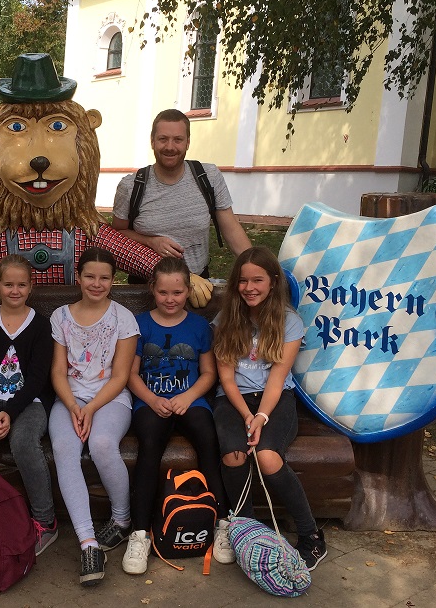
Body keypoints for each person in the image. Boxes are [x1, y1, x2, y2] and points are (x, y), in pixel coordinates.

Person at [211, 247, 327, 570]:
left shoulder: (289, 322)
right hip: (233, 400)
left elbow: (277, 379)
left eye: (257, 280)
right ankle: (246, 531)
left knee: (267, 456)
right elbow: (226, 378)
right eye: (243, 281)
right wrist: (247, 416)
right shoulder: (226, 319)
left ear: (273, 282)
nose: (249, 287)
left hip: (274, 400)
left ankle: (311, 535)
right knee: (234, 454)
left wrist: (260, 416)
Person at [122, 257, 232, 575]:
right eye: (163, 293)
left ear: (188, 291)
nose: (171, 300)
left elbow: (209, 373)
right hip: (151, 402)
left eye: (178, 293)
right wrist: (153, 399)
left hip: (190, 400)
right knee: (150, 444)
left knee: (208, 439)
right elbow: (131, 374)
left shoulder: (199, 326)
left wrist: (187, 396)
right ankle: (140, 532)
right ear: (152, 290)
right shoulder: (140, 324)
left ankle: (223, 522)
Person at [48, 247, 139, 586]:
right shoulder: (61, 316)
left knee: (101, 443)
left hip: (110, 398)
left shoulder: (123, 318)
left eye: (104, 278)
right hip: (70, 399)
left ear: (112, 281)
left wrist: (90, 408)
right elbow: (58, 371)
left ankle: (121, 518)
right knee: (63, 449)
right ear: (78, 277)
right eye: (90, 276)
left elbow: (120, 376)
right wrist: (73, 405)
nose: (96, 283)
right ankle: (88, 543)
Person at [0, 254, 57, 556]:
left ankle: (45, 520)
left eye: (21, 285)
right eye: (8, 285)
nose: (14, 291)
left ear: (31, 287)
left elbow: (39, 377)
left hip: (29, 403)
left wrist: (10, 411)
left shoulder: (41, 327)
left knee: (24, 442)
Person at [111, 109, 251, 301]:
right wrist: (151, 241)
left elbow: (232, 229)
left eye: (178, 139)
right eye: (163, 139)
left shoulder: (208, 177)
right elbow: (116, 235)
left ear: (187, 143)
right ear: (152, 141)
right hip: (146, 289)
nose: (170, 146)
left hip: (198, 286)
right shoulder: (131, 186)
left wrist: (256, 267)